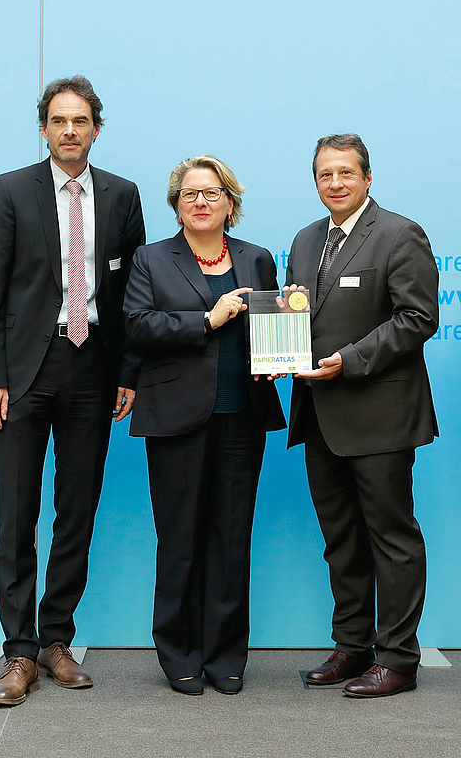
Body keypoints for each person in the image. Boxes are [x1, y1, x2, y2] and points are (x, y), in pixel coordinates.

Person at [0, 75, 145, 706]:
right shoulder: (11, 189)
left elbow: (133, 294)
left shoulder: (123, 195)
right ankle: (18, 651)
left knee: (77, 509)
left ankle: (56, 640)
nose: (70, 131)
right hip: (24, 371)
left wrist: (128, 371)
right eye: (58, 121)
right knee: (17, 512)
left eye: (80, 121)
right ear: (43, 128)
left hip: (93, 366)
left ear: (96, 128)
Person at [123, 155, 285, 696]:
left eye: (212, 193)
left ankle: (226, 655)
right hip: (175, 418)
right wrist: (207, 320)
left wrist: (279, 356)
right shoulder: (151, 258)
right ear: (176, 205)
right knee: (180, 540)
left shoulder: (257, 258)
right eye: (190, 194)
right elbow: (137, 325)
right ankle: (179, 653)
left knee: (231, 539)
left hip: (243, 415)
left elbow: (271, 328)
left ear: (230, 203)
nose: (201, 202)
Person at [284, 134, 438, 698]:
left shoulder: (400, 233)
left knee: (392, 540)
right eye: (325, 174)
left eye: (346, 173)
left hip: (380, 417)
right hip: (319, 416)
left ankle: (398, 659)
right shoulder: (305, 240)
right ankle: (352, 647)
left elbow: (417, 317)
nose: (336, 183)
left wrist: (348, 360)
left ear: (368, 178)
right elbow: (299, 317)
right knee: (341, 540)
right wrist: (278, 355)